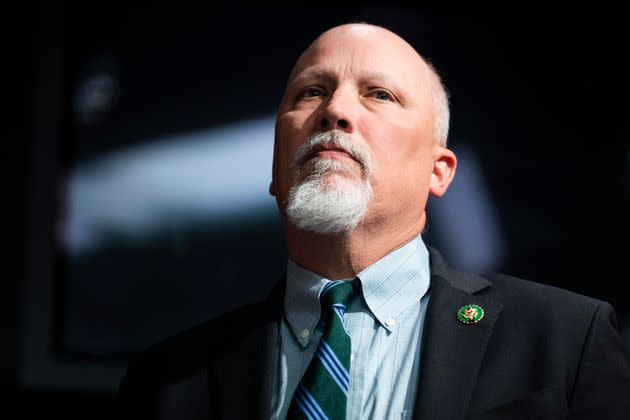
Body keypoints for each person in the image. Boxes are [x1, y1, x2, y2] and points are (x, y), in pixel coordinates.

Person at [113, 22, 630, 419]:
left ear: (439, 170)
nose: (335, 110)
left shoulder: (567, 342)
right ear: (275, 166)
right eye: (311, 92)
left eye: (378, 94)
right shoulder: (164, 383)